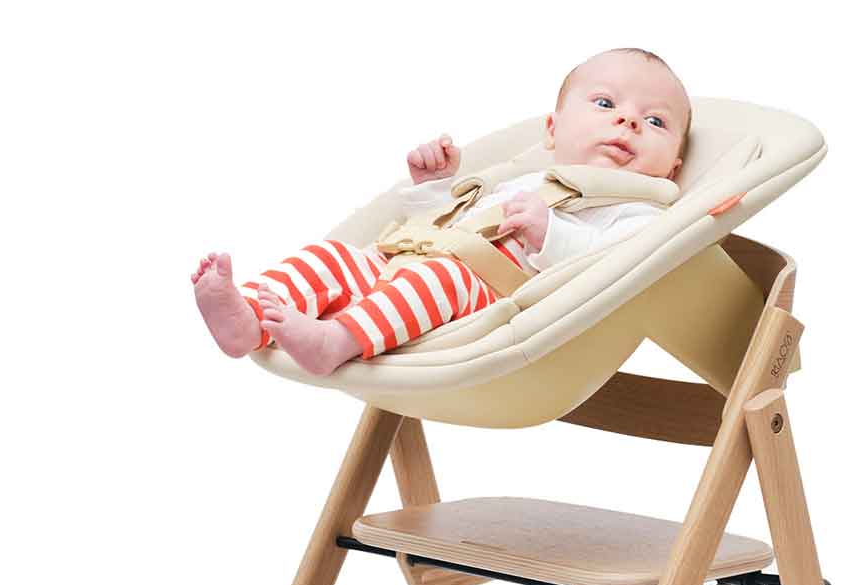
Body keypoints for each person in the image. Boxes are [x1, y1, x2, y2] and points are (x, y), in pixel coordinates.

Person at [191, 48, 692, 374]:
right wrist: (433, 189)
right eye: (605, 104)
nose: (628, 121)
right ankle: (248, 318)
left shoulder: (638, 211)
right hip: (405, 263)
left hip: (482, 294)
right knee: (332, 256)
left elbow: (613, 269)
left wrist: (550, 236)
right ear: (552, 130)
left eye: (655, 121)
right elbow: (451, 225)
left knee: (440, 279)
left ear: (673, 166)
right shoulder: (524, 180)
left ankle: (337, 341)